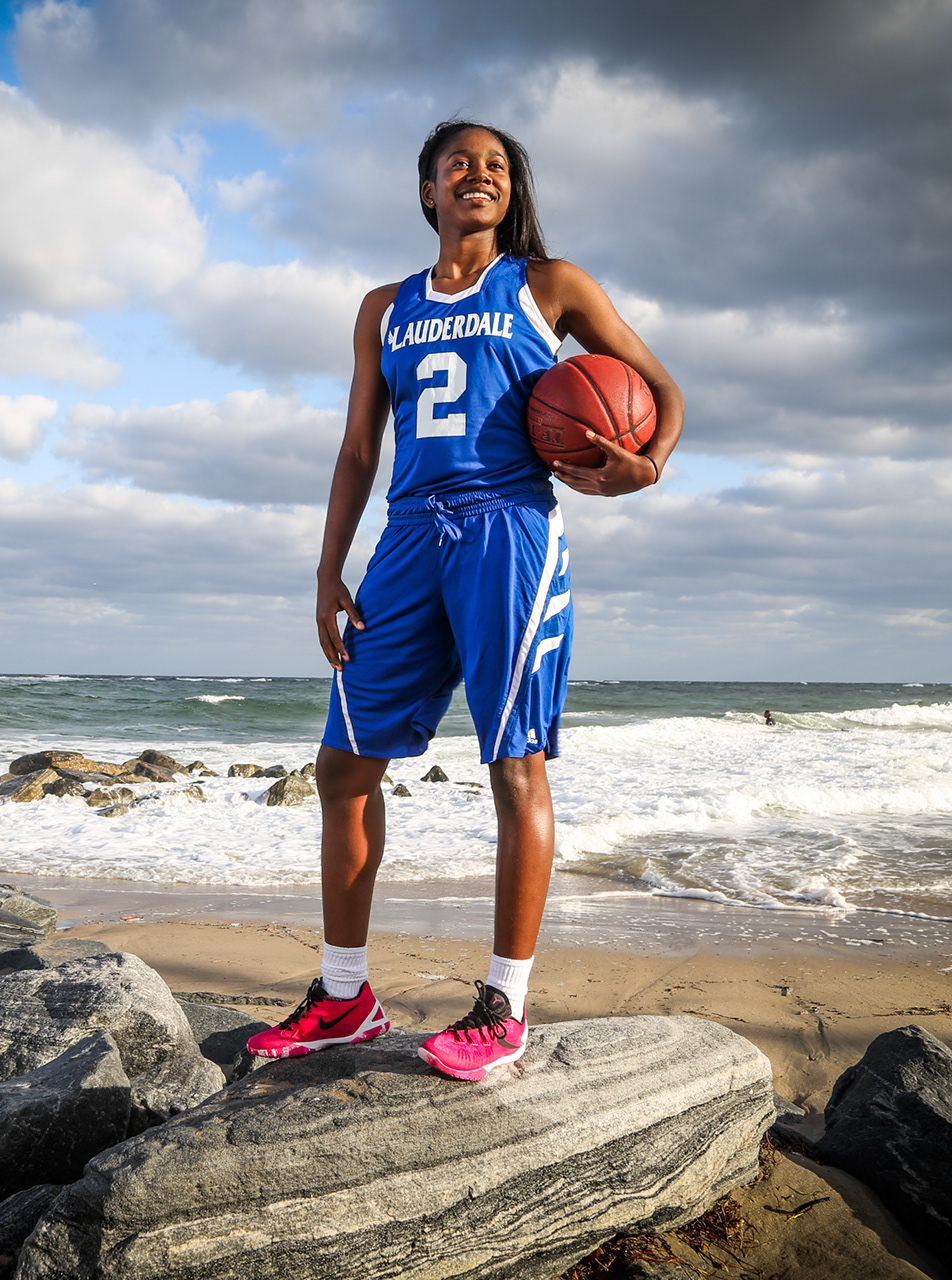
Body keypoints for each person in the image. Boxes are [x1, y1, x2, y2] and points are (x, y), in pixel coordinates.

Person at [246, 120, 684, 1080]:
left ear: (510, 190)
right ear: (428, 190)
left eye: (495, 166)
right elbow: (359, 449)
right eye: (459, 164)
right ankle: (345, 995)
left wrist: (644, 466)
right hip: (408, 537)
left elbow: (662, 389)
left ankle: (503, 1007)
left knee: (514, 765)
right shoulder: (383, 308)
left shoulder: (548, 286)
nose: (477, 175)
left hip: (508, 530)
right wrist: (328, 569)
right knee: (342, 767)